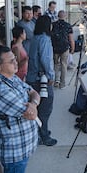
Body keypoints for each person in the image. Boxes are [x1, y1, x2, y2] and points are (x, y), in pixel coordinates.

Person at [26, 15, 56, 146]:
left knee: (37, 107)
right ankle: (43, 136)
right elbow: (45, 59)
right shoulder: (44, 39)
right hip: (41, 79)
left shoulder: (35, 38)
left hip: (32, 78)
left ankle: (42, 132)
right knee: (45, 108)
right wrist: (51, 75)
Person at [51, 10, 74, 89]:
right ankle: (62, 83)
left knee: (55, 65)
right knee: (64, 65)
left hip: (55, 47)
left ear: (58, 16)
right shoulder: (68, 25)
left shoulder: (53, 25)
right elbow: (71, 38)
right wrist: (72, 48)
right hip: (64, 47)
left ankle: (56, 81)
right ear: (65, 16)